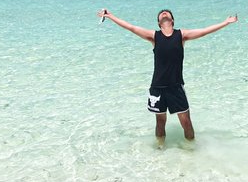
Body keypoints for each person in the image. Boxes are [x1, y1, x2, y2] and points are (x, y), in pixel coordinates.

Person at [97, 8, 237, 142]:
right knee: (160, 122)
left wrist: (225, 22)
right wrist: (110, 16)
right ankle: (160, 148)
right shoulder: (154, 36)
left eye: (167, 13)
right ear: (159, 23)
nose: (164, 13)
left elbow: (204, 31)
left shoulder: (181, 35)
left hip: (176, 87)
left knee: (186, 122)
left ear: (172, 21)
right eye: (161, 14)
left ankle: (190, 150)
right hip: (157, 87)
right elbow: (131, 27)